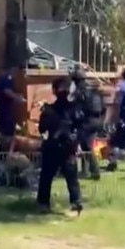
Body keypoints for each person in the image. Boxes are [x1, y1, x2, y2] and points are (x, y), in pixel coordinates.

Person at [36, 76, 83, 216]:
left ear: (54, 91)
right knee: (71, 177)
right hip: (68, 146)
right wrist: (77, 142)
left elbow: (42, 129)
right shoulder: (74, 109)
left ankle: (43, 203)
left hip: (52, 146)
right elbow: (80, 126)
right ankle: (76, 202)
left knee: (46, 176)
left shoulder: (49, 110)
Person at [70, 67, 105, 180]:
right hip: (97, 120)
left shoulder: (80, 91)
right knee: (86, 145)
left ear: (76, 80)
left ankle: (95, 171)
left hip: (87, 122)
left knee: (87, 147)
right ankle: (85, 171)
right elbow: (103, 107)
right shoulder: (93, 89)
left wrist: (73, 123)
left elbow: (77, 110)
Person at [0, 65, 27, 152]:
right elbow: (6, 91)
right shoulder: (7, 77)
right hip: (5, 110)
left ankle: (3, 150)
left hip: (6, 110)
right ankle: (4, 152)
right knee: (7, 132)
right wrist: (18, 98)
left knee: (7, 130)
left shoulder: (6, 76)